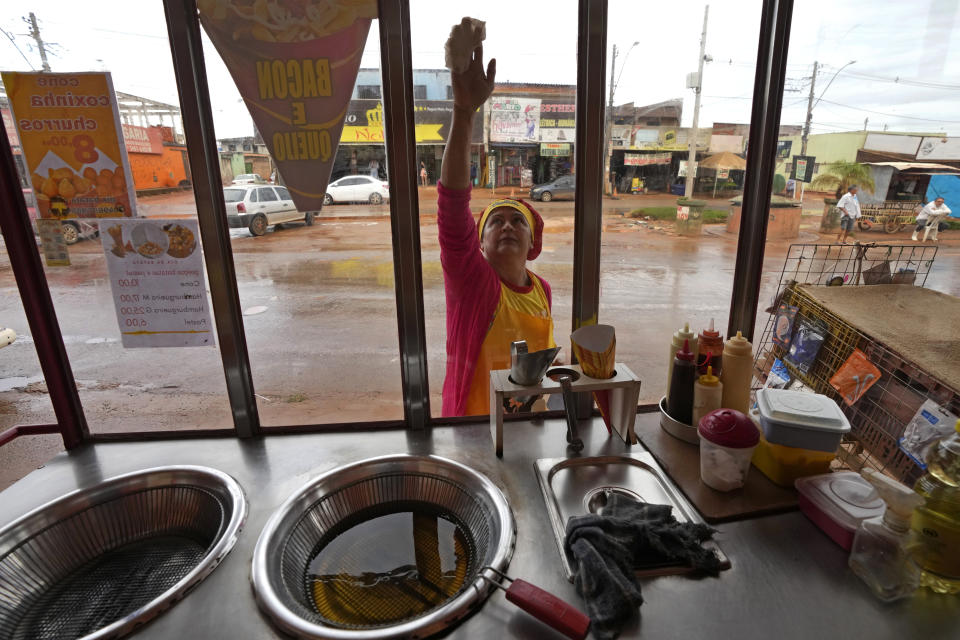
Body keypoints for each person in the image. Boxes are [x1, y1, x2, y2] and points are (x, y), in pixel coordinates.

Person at [437, 39, 555, 417]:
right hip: (471, 433)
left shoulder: (543, 291)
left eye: (518, 221)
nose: (507, 226)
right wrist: (464, 111)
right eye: (495, 222)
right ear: (481, 244)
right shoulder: (473, 281)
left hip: (527, 427)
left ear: (532, 241)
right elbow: (453, 207)